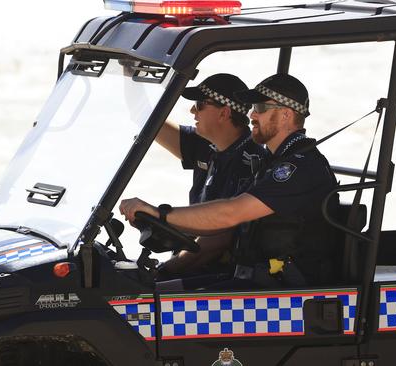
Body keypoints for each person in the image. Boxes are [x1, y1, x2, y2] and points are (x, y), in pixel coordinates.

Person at [120, 73, 338, 288]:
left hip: (285, 290)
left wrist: (161, 214)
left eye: (260, 108)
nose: (251, 115)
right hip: (257, 277)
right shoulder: (272, 162)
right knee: (155, 290)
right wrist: (161, 223)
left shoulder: (298, 167)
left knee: (156, 301)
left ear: (286, 115)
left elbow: (231, 214)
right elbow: (223, 221)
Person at [154, 73, 265, 276]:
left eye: (200, 104)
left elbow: (219, 240)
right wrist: (130, 71)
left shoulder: (252, 162)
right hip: (195, 263)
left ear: (224, 113)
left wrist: (164, 270)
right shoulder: (207, 144)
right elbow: (150, 123)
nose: (193, 110)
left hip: (220, 276)